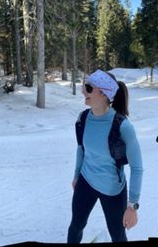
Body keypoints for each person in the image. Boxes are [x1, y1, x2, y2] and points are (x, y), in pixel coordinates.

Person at [67, 70, 143, 244]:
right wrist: (77, 175)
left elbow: (137, 168)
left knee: (117, 235)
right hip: (85, 182)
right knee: (75, 226)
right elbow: (81, 149)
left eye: (88, 88)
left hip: (113, 190)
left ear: (104, 93)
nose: (82, 92)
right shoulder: (83, 118)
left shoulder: (123, 126)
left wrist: (132, 206)